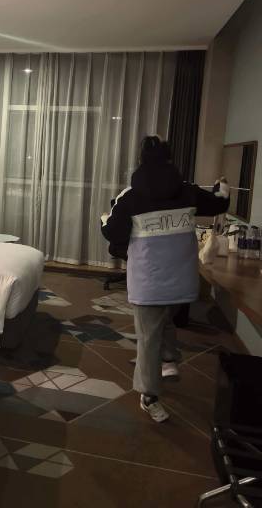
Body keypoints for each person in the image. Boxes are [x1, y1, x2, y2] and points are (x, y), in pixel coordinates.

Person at [101, 136, 229, 423]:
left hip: (148, 282)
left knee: (147, 339)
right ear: (170, 159)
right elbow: (220, 204)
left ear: (141, 160)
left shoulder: (130, 197)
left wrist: (106, 220)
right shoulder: (188, 192)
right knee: (164, 318)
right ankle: (169, 359)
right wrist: (222, 186)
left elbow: (113, 233)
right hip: (181, 280)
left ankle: (149, 396)